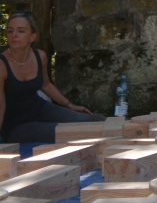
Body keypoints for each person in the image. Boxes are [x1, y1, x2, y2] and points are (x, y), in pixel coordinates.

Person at [1, 11, 97, 143]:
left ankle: (112, 124)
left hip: (39, 109)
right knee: (69, 132)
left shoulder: (40, 56)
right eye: (10, 31)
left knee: (83, 120)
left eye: (21, 31)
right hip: (17, 126)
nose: (14, 35)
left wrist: (70, 105)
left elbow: (45, 84)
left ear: (32, 37)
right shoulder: (2, 64)